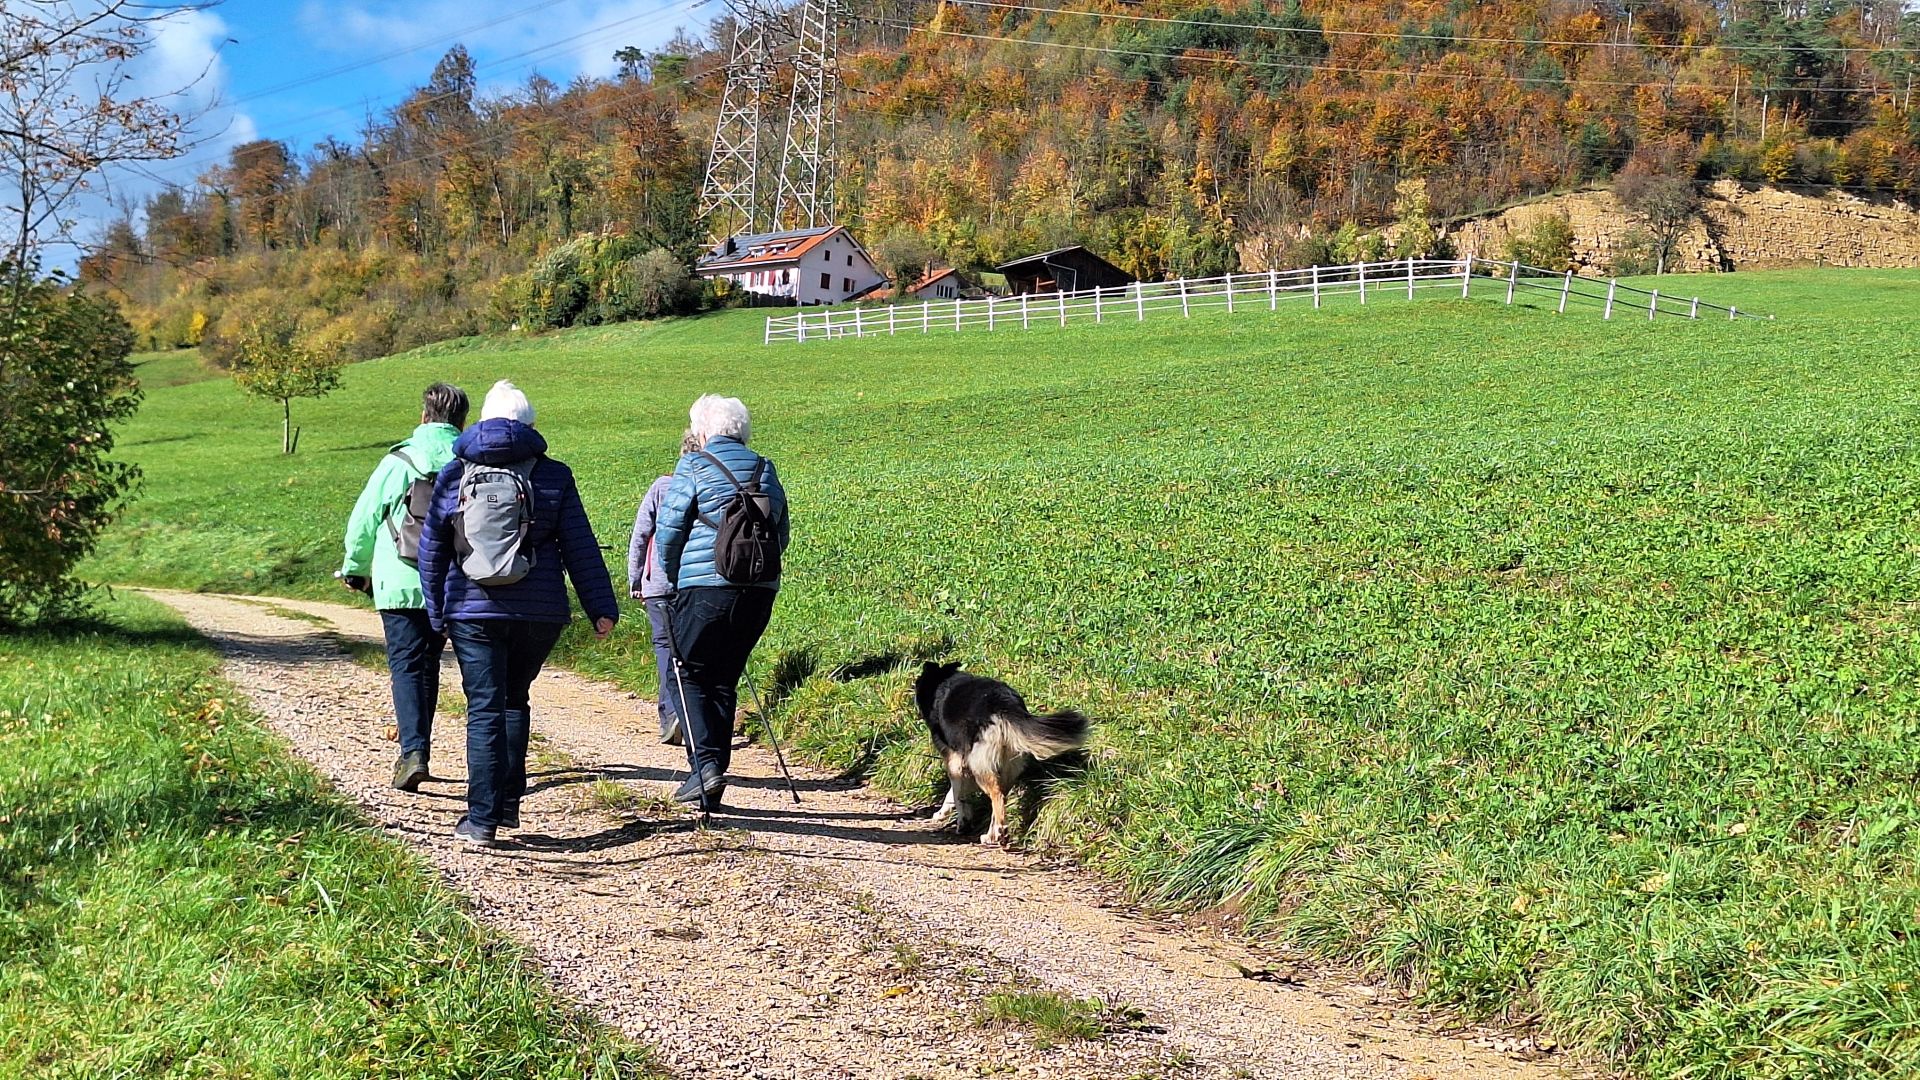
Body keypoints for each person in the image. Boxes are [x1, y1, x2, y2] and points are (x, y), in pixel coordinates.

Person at [417, 380, 619, 847]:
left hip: (471, 608)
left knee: (484, 707)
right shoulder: (554, 475)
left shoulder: (455, 472)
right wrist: (600, 607)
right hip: (538, 611)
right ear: (530, 425)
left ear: (483, 421)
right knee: (514, 699)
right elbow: (579, 544)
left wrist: (436, 611)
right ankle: (507, 805)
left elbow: (432, 548)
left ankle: (481, 820)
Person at [654, 394, 790, 810]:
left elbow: (669, 530)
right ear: (743, 431)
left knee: (687, 672)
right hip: (758, 592)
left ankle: (706, 767)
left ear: (702, 431)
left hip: (703, 588)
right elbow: (781, 532)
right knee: (724, 678)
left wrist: (672, 577)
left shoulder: (694, 465)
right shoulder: (765, 469)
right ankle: (710, 780)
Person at [339, 382, 468, 792]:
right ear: (462, 421)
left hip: (399, 582)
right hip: (450, 581)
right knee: (430, 664)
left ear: (423, 416)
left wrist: (355, 569)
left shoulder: (399, 461)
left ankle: (414, 752)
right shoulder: (468, 461)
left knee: (407, 665)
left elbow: (364, 519)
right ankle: (420, 747)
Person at [628, 431, 702, 747]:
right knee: (695, 650)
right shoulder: (711, 489)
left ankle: (672, 714)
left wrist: (635, 579)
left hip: (658, 584)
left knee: (665, 648)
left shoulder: (662, 487)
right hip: (696, 582)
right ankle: (695, 718)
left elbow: (641, 535)